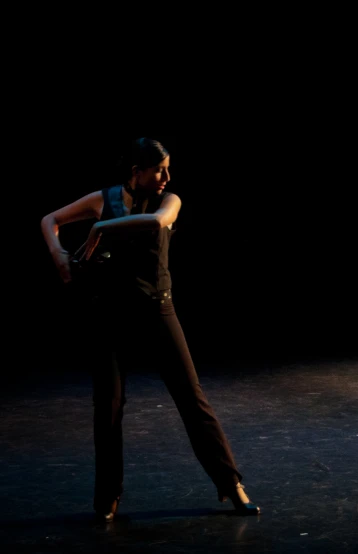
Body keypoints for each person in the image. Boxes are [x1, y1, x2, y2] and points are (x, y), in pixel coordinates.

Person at [40, 137, 260, 522]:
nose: (166, 176)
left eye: (168, 169)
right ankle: (107, 497)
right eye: (159, 170)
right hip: (109, 315)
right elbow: (49, 220)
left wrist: (100, 228)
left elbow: (158, 223)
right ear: (136, 172)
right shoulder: (101, 198)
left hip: (158, 309)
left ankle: (231, 484)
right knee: (107, 406)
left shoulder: (167, 201)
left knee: (192, 400)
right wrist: (59, 254)